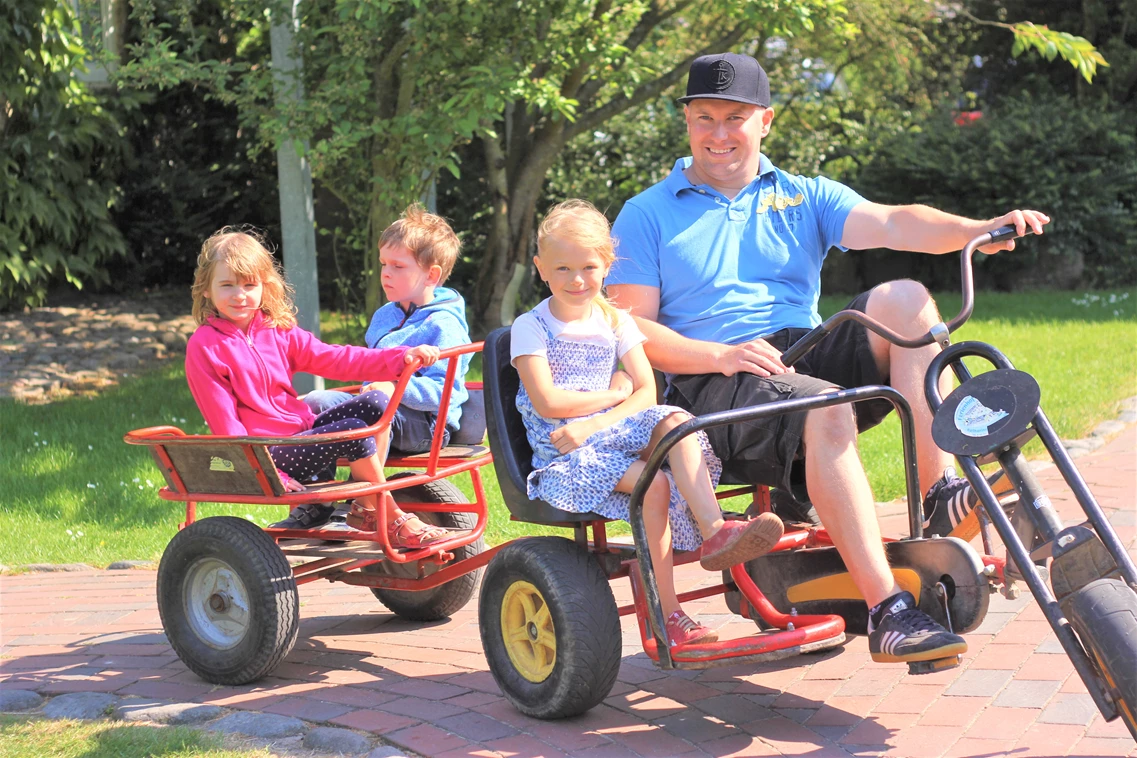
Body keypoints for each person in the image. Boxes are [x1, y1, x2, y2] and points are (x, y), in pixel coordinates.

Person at [606, 52, 1050, 665]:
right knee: (825, 406)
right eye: (703, 118)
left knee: (907, 302)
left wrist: (978, 228)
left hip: (798, 354)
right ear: (687, 121)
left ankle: (939, 492)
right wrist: (720, 353)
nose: (717, 134)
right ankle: (888, 612)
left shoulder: (802, 194)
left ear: (765, 121)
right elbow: (628, 329)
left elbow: (895, 221)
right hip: (711, 381)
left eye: (734, 118)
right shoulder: (647, 213)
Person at [512, 199, 785, 647]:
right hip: (563, 449)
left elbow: (646, 393)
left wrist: (605, 416)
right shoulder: (533, 326)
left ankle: (715, 532)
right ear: (541, 268)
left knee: (675, 419)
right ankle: (669, 613)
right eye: (561, 269)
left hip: (604, 432)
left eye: (588, 266)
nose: (576, 280)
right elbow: (548, 401)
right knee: (653, 485)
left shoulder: (615, 320)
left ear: (608, 265)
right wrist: (612, 397)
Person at [185, 227, 452, 548]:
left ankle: (346, 504)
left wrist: (401, 359)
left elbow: (339, 359)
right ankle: (388, 514)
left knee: (375, 402)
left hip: (302, 435)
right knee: (353, 430)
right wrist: (268, 472)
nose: (239, 295)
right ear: (205, 290)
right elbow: (225, 423)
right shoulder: (205, 346)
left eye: (249, 284)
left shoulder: (278, 331)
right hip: (270, 453)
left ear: (264, 286)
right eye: (226, 285)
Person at [303, 204, 472, 453]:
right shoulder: (384, 315)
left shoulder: (444, 324)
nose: (385, 274)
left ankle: (368, 489)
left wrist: (394, 389)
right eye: (383, 264)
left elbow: (444, 393)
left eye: (398, 266)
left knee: (378, 404)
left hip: (426, 424)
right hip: (374, 405)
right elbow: (370, 365)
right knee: (315, 401)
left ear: (431, 276)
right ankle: (316, 483)